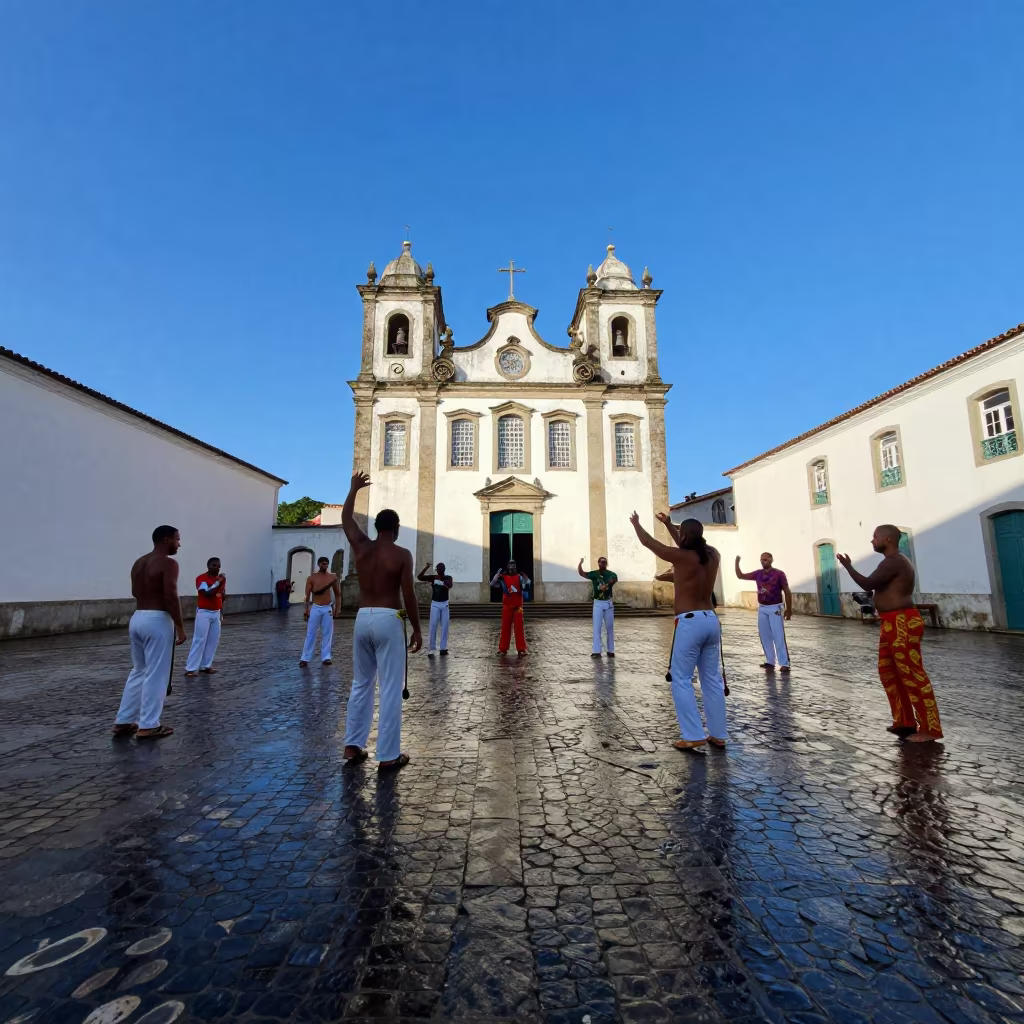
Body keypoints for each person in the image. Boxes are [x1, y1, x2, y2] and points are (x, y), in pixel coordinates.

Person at [341, 471, 422, 770]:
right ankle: (388, 755)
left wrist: (353, 491)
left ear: (376, 527)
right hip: (389, 618)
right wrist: (416, 628)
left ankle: (352, 746)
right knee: (390, 687)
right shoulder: (401, 554)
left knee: (361, 683)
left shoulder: (362, 548)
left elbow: (347, 521)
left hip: (363, 618)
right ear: (397, 529)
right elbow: (408, 594)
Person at [838, 526, 943, 743]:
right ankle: (904, 721)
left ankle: (930, 729)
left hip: (902, 621)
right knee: (889, 671)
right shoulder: (891, 561)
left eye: (875, 536)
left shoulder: (894, 561)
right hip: (891, 622)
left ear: (887, 538)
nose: (872, 541)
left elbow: (868, 583)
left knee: (912, 674)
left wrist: (848, 566)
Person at [631, 513, 726, 752]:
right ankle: (718, 734)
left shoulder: (681, 557)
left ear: (683, 537)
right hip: (711, 620)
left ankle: (693, 734)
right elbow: (686, 541)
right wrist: (667, 524)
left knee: (681, 679)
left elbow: (650, 543)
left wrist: (636, 524)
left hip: (690, 621)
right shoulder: (713, 554)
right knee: (712, 679)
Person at [112, 526, 186, 740]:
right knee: (157, 673)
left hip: (138, 617)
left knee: (139, 670)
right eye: (177, 540)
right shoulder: (169, 563)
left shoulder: (139, 563)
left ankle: (124, 720)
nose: (179, 544)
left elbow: (135, 591)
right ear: (166, 540)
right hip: (157, 619)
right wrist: (180, 625)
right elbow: (170, 594)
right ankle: (148, 725)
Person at [735, 553, 792, 672]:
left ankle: (784, 663)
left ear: (772, 560)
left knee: (778, 636)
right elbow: (740, 576)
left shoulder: (779, 574)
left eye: (766, 558)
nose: (763, 560)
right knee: (764, 636)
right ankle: (770, 661)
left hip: (775, 608)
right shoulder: (758, 574)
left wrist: (789, 609)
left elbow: (787, 591)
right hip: (762, 608)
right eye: (762, 558)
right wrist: (737, 562)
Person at [184, 557, 225, 677]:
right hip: (204, 612)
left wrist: (221, 612)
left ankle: (205, 666)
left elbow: (221, 595)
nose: (216, 568)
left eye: (218, 565)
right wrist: (218, 583)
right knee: (199, 639)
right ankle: (191, 668)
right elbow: (206, 593)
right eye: (214, 565)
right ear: (208, 566)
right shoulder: (201, 578)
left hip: (216, 612)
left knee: (213, 640)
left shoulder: (222, 579)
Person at [300, 557, 341, 666]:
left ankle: (326, 657)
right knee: (310, 633)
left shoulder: (332, 578)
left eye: (326, 564)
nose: (325, 565)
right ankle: (305, 658)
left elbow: (338, 594)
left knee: (327, 633)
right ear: (319, 564)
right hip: (316, 607)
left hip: (327, 608)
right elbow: (307, 595)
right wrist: (306, 609)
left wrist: (337, 609)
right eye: (323, 564)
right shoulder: (312, 578)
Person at [579, 556, 618, 658]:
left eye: (604, 562)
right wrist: (580, 564)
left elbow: (615, 578)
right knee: (597, 627)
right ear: (598, 563)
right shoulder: (594, 574)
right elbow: (582, 573)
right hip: (598, 603)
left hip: (608, 602)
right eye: (600, 562)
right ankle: (596, 651)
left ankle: (610, 650)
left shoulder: (611, 574)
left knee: (609, 627)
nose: (602, 564)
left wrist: (607, 584)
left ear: (606, 564)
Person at [490, 560, 531, 656]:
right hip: (506, 606)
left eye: (513, 565)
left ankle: (521, 649)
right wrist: (496, 575)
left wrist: (526, 579)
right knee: (505, 628)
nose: (512, 567)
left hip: (518, 607)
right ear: (507, 566)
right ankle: (503, 648)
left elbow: (526, 588)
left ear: (516, 567)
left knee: (519, 628)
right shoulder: (503, 578)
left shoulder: (520, 577)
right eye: (510, 565)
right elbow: (492, 584)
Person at [418, 561, 453, 656]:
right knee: (433, 625)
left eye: (438, 570)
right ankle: (432, 648)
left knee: (445, 626)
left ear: (442, 571)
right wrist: (426, 568)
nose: (438, 572)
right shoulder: (433, 577)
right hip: (435, 604)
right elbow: (419, 577)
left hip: (444, 604)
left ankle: (443, 648)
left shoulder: (448, 578)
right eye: (437, 570)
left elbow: (450, 585)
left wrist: (441, 582)